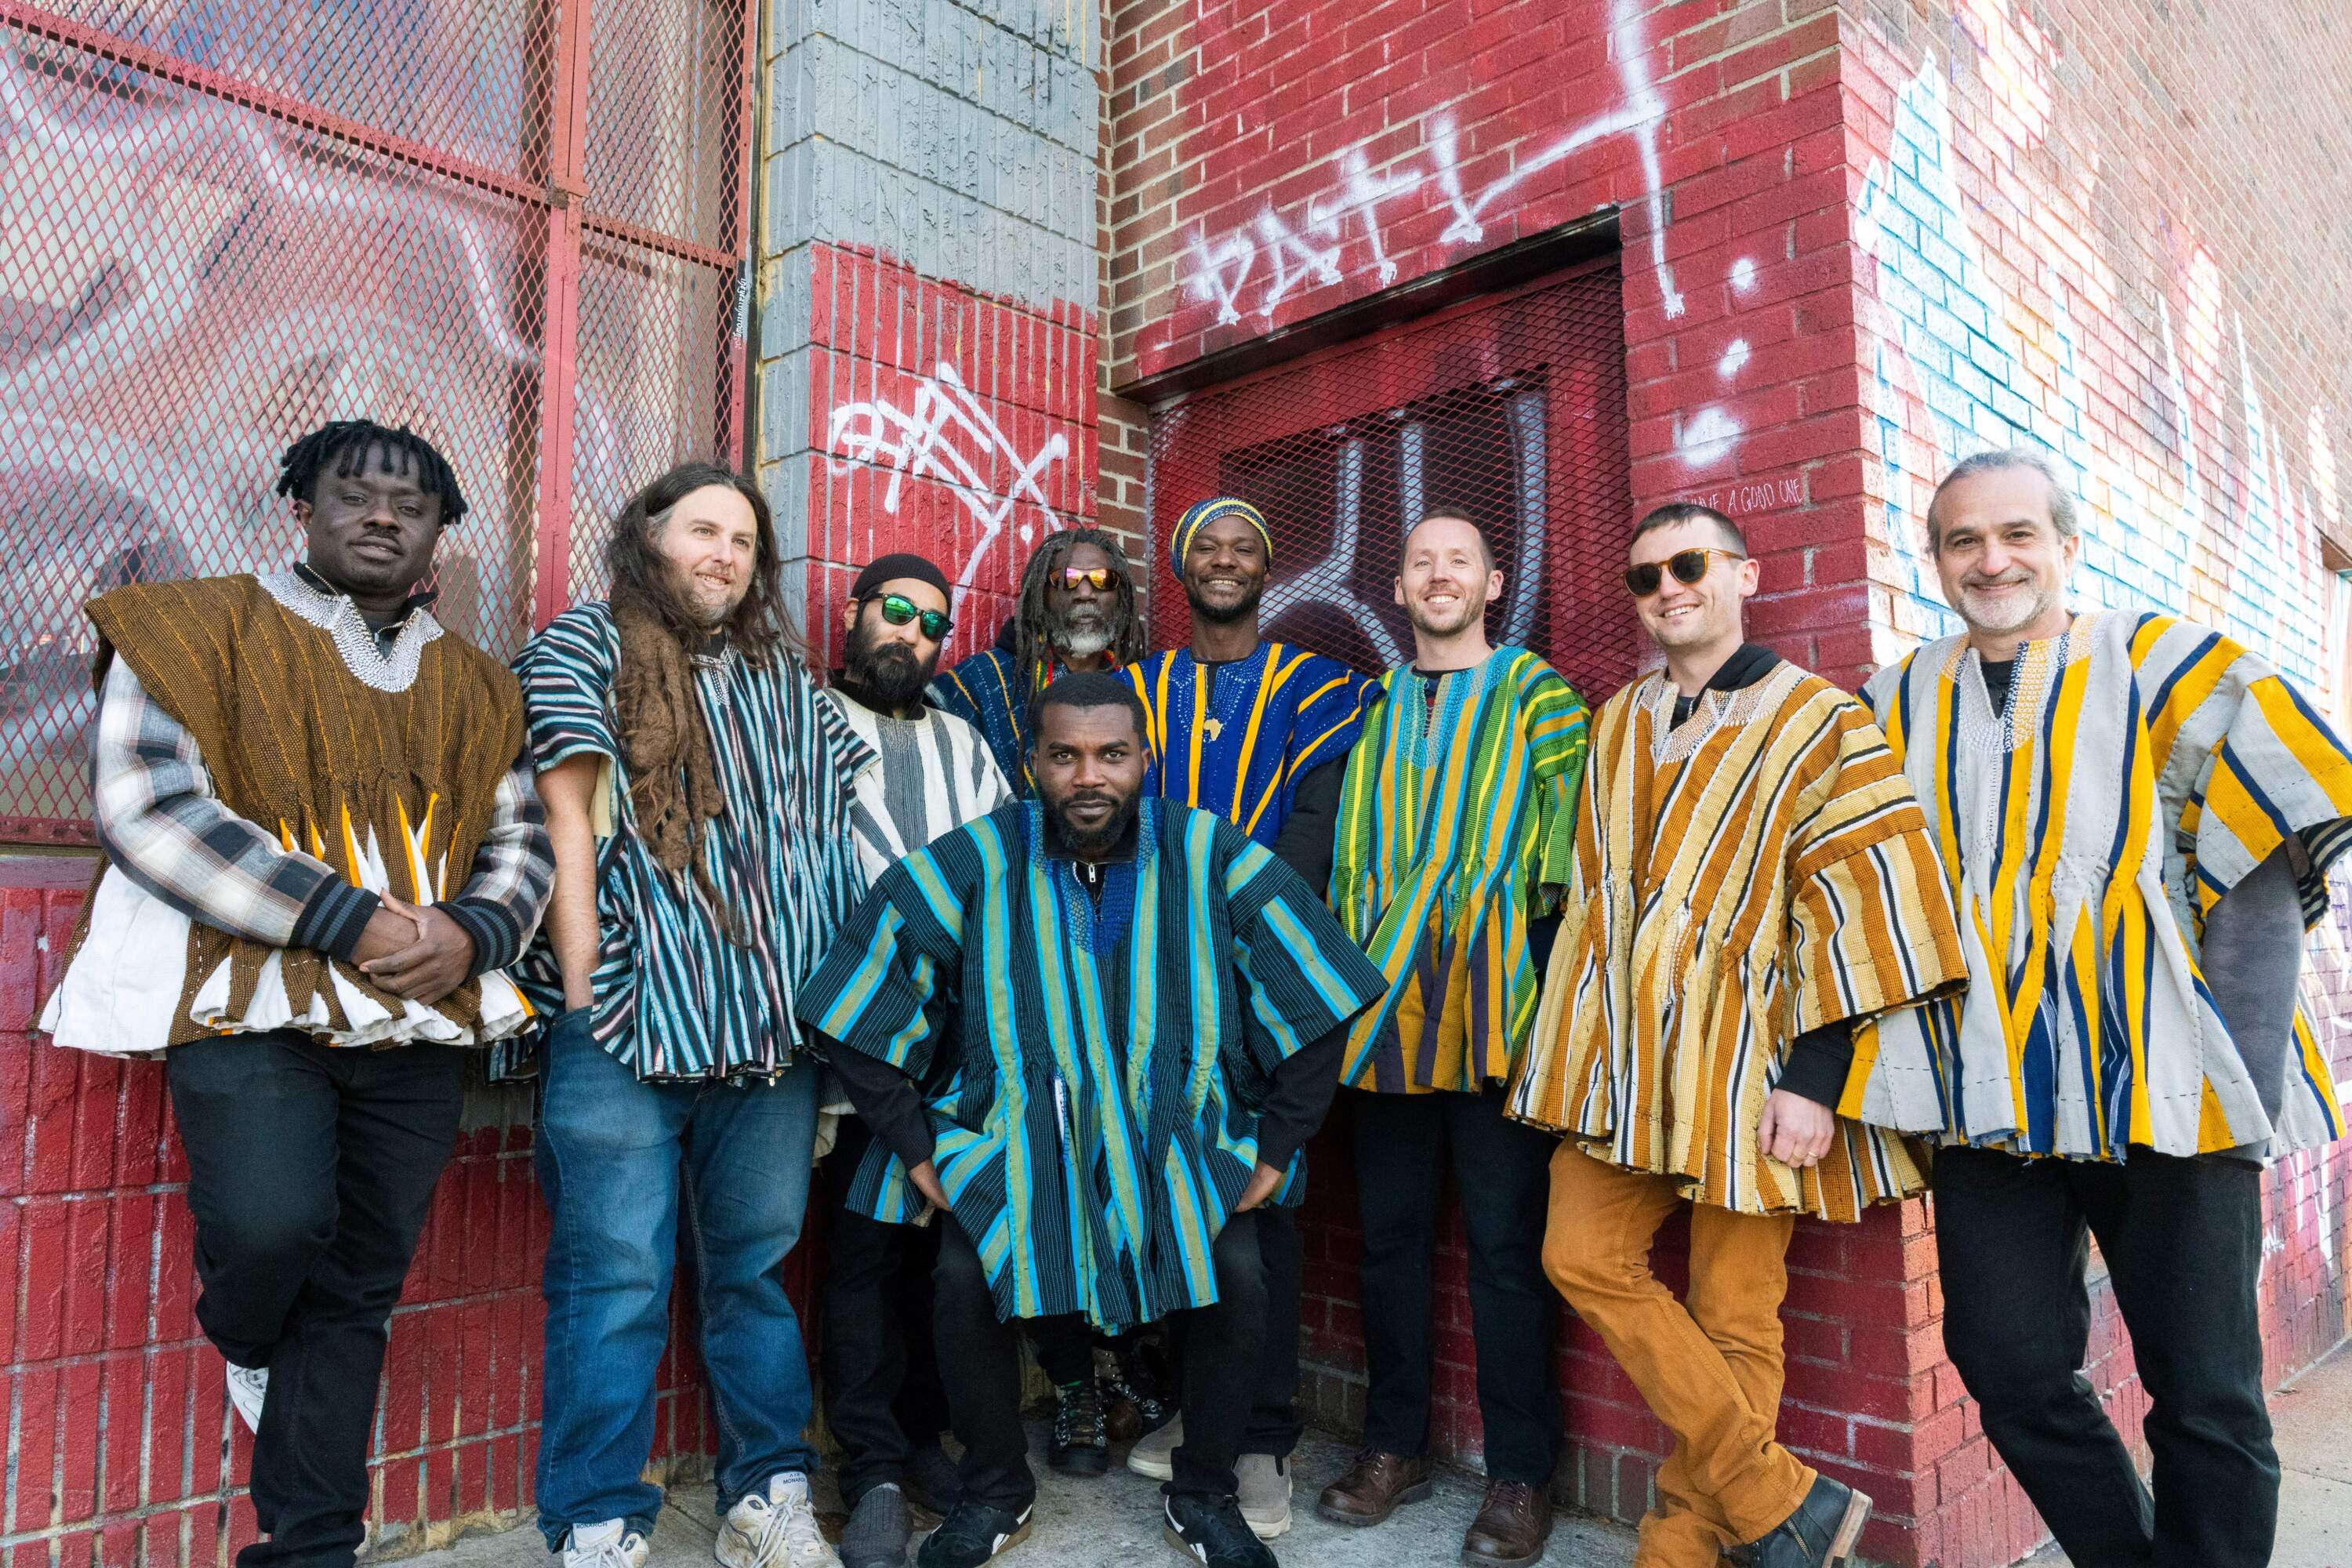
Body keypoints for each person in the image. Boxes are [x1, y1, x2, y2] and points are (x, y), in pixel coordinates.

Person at [38, 420, 554, 1568]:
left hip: (419, 1017)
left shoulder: (481, 685)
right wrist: (349, 918)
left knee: (360, 1285)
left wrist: (472, 933)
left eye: (411, 505)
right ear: (302, 507)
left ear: (439, 533)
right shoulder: (195, 626)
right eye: (355, 493)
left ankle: (310, 1546)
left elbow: (522, 843)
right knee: (270, 1230)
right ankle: (248, 1338)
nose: (382, 516)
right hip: (246, 999)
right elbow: (148, 806)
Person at [1850, 448, 2352, 1568]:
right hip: (1990, 1096)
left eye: (2018, 534)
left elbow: (2259, 872)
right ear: (1936, 561)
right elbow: (1868, 892)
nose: (1992, 560)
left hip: (2168, 1085)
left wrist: (2238, 1084)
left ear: (2067, 547)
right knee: (2009, 1364)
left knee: (2206, 1392)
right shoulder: (1893, 700)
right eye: (1964, 541)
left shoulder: (2165, 663)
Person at [800, 673, 1388, 1568]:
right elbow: (859, 992)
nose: (1089, 776)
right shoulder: (978, 858)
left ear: (1143, 758)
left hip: (1176, 1137)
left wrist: (1277, 1144)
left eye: (1112, 754)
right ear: (1032, 761)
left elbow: (1318, 981)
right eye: (1065, 755)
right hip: (1013, 1137)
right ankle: (996, 1489)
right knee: (962, 1273)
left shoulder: (1206, 851)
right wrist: (917, 1149)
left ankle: (1204, 1493)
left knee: (1239, 1267)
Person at [1510, 503, 1965, 1568]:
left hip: (1757, 1067)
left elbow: (1863, 898)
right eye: (1645, 576)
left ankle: (1680, 1547)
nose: (1667, 588)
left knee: (1736, 1313)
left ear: (1744, 574)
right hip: (1623, 1066)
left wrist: (1817, 1076)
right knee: (1578, 1252)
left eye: (1688, 564)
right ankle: (1777, 1499)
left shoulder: (1821, 719)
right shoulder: (1615, 721)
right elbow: (1583, 894)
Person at [515, 463, 869, 1568]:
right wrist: (586, 996)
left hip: (769, 1032)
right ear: (648, 535)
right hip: (629, 1016)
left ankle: (766, 1495)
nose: (724, 554)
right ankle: (596, 1517)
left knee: (753, 1273)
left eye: (744, 541)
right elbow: (565, 823)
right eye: (703, 530)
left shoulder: (784, 675)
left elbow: (831, 837)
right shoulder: (586, 646)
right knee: (614, 1277)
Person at [1316, 509, 1586, 1567]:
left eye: (1459, 561)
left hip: (1497, 1014)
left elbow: (1574, 846)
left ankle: (1522, 1473)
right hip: (1384, 1011)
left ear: (1492, 583)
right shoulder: (1372, 706)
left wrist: (1540, 986)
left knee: (1508, 1251)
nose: (1440, 575)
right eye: (1421, 561)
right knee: (1389, 1241)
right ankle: (1395, 1445)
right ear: (1397, 587)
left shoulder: (1538, 695)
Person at [1119, 495, 1374, 1536]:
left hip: (1263, 968)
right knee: (1175, 1192)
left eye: (1244, 548)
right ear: (1183, 571)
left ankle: (1264, 1435)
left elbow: (1315, 824)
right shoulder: (1138, 688)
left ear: (1268, 570)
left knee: (1262, 1205)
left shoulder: (1313, 686)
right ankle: (1199, 1406)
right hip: (1152, 973)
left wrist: (1232, 919)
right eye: (1206, 548)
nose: (1224, 561)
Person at [819, 554, 1011, 1568]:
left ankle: (926, 1438)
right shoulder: (806, 724)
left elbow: (998, 877)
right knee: (858, 1253)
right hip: (850, 1035)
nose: (913, 633)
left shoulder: (966, 745)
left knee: (937, 1253)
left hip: (951, 1047)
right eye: (897, 610)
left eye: (934, 624)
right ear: (855, 611)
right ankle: (871, 1468)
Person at [927, 528, 1144, 790]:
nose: (1086, 593)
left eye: (1103, 579)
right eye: (1066, 580)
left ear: (1120, 597)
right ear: (1042, 595)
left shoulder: (1139, 686)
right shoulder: (982, 680)